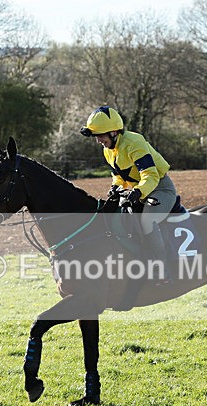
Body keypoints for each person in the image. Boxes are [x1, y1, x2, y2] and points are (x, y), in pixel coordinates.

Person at [80, 106, 178, 281]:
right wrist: (115, 187)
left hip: (160, 188)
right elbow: (118, 176)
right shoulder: (108, 150)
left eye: (101, 135)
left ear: (114, 132)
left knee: (147, 221)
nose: (98, 140)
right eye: (96, 136)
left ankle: (163, 268)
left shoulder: (134, 143)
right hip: (137, 190)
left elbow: (151, 176)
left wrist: (138, 192)